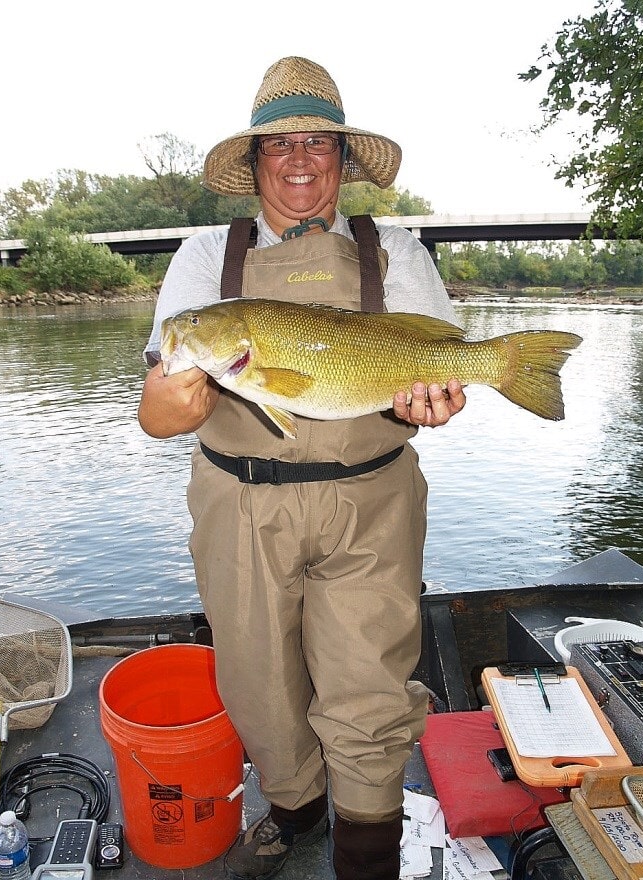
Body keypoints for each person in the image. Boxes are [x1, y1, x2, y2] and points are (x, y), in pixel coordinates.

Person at [138, 56, 466, 880]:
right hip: (238, 506)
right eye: (277, 144)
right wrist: (171, 403)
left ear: (343, 160)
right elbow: (155, 406)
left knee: (367, 689)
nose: (299, 159)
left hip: (371, 505)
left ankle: (363, 854)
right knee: (258, 687)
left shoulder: (395, 250)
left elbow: (437, 369)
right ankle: (295, 809)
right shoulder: (205, 255)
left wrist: (429, 399)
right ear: (253, 164)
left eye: (318, 141)